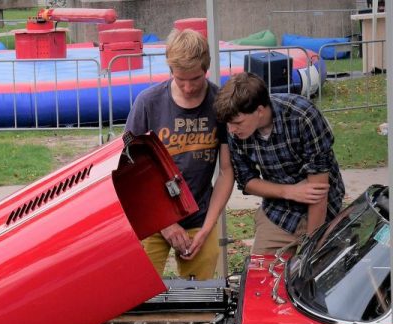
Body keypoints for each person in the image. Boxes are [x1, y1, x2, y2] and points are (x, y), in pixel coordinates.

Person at [124, 28, 234, 281]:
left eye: (195, 79)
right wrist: (164, 223)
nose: (187, 87)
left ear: (206, 69)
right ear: (170, 69)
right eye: (179, 78)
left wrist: (208, 228)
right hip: (151, 217)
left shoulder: (220, 103)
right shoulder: (147, 103)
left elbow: (227, 171)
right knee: (139, 291)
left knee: (200, 296)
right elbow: (127, 170)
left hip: (200, 217)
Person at [214, 72, 345, 255]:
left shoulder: (303, 116)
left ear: (260, 111)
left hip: (323, 211)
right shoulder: (235, 130)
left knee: (319, 274)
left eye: (237, 123)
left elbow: (318, 191)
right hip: (279, 213)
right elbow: (247, 182)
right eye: (228, 124)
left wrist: (310, 247)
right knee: (262, 277)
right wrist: (289, 192)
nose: (231, 130)